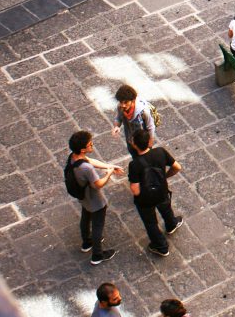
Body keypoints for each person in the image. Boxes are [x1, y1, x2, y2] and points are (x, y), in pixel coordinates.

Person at [66, 130, 123, 265]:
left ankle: (86, 242)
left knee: (86, 217)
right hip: (95, 200)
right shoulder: (86, 168)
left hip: (83, 197)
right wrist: (109, 174)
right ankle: (97, 255)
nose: (92, 145)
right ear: (83, 149)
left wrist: (110, 166)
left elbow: (90, 161)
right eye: (90, 144)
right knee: (98, 226)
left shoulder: (73, 157)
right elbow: (98, 184)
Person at [128, 130, 184, 258]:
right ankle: (171, 224)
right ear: (149, 142)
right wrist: (165, 176)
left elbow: (135, 190)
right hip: (161, 191)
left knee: (151, 223)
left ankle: (161, 246)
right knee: (166, 208)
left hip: (145, 200)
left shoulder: (134, 165)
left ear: (135, 145)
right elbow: (177, 167)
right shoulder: (160, 152)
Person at [111, 84, 156, 158]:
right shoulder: (120, 107)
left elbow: (150, 126)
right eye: (121, 102)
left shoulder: (143, 112)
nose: (123, 105)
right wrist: (116, 126)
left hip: (142, 143)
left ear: (133, 100)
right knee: (135, 157)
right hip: (130, 140)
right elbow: (118, 118)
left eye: (126, 102)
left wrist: (150, 143)